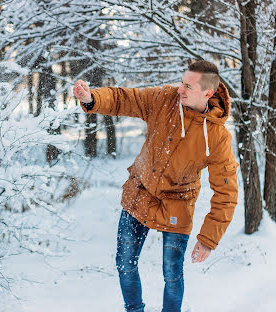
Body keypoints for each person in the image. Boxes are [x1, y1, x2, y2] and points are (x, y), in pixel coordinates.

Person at [73, 60, 239, 312]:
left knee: (172, 275)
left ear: (208, 93)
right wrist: (91, 97)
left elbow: (226, 192)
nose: (180, 89)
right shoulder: (165, 99)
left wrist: (208, 239)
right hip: (139, 192)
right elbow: (126, 99)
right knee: (125, 263)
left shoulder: (217, 137)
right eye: (182, 82)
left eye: (188, 87)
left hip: (178, 203)